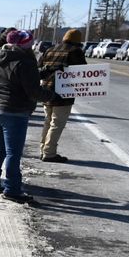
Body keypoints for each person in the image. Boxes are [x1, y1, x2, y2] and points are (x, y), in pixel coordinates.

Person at [0, 30, 53, 204]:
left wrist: (44, 72)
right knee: (13, 153)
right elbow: (33, 91)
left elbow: (16, 77)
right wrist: (52, 95)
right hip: (13, 112)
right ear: (26, 45)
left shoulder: (3, 57)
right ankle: (12, 189)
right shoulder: (25, 61)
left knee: (0, 149)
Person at [36, 29, 87, 162]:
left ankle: (43, 149)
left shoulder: (50, 50)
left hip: (46, 90)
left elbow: (39, 66)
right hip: (63, 92)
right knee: (57, 123)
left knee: (48, 121)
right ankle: (49, 153)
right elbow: (82, 71)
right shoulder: (75, 51)